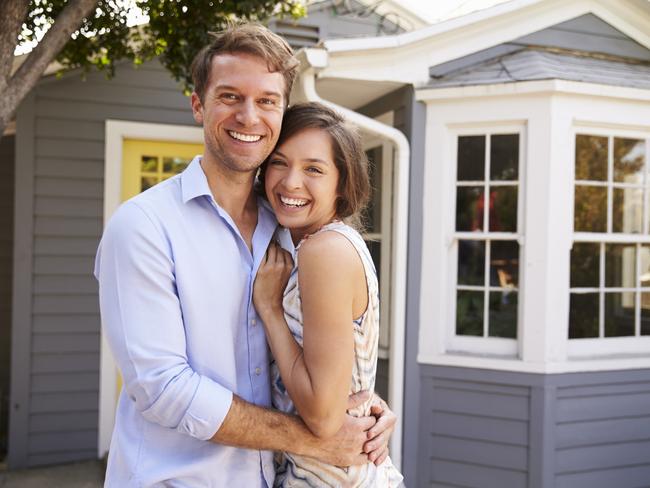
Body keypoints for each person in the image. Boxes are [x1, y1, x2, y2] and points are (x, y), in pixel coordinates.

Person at [94, 23, 395, 487]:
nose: (249, 116)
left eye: (267, 101)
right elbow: (164, 391)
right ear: (199, 105)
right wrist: (316, 436)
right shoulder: (144, 228)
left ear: (281, 112)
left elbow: (323, 351)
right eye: (230, 96)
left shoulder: (292, 225)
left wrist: (363, 405)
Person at [252, 102, 403, 487]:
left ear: (343, 182)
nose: (290, 182)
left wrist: (270, 310)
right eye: (280, 162)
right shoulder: (318, 245)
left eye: (314, 169)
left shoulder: (325, 251)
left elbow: (322, 416)